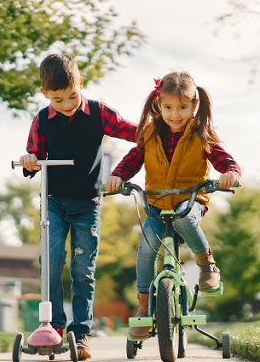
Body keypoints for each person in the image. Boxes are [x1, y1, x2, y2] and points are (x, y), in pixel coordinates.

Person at [19, 53, 136, 360]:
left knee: (83, 269)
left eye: (72, 96)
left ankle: (80, 334)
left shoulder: (98, 113)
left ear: (80, 84)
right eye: (59, 100)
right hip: (55, 202)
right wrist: (30, 161)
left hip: (87, 203)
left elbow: (133, 132)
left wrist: (162, 130)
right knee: (52, 263)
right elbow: (33, 158)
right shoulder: (42, 120)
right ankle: (53, 328)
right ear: (45, 94)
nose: (68, 105)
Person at [106, 71, 241, 338]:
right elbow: (134, 158)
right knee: (145, 249)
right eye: (168, 107)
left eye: (182, 107)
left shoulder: (202, 134)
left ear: (194, 106)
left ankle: (207, 265)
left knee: (183, 217)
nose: (175, 114)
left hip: (191, 201)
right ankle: (144, 311)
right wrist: (118, 175)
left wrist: (231, 173)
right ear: (159, 105)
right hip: (156, 203)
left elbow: (224, 160)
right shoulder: (150, 133)